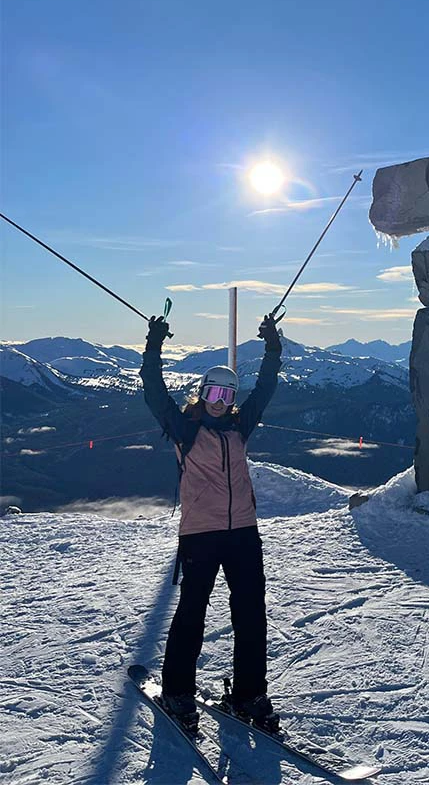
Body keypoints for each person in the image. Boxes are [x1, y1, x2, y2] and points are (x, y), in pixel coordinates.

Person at [140, 312, 282, 732]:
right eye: (213, 391)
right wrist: (154, 344)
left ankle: (249, 695)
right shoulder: (184, 428)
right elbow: (154, 392)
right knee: (192, 613)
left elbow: (267, 388)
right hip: (201, 535)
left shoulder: (240, 426)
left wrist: (273, 347)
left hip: (243, 532)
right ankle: (178, 693)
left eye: (227, 392)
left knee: (251, 614)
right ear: (202, 394)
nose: (220, 399)